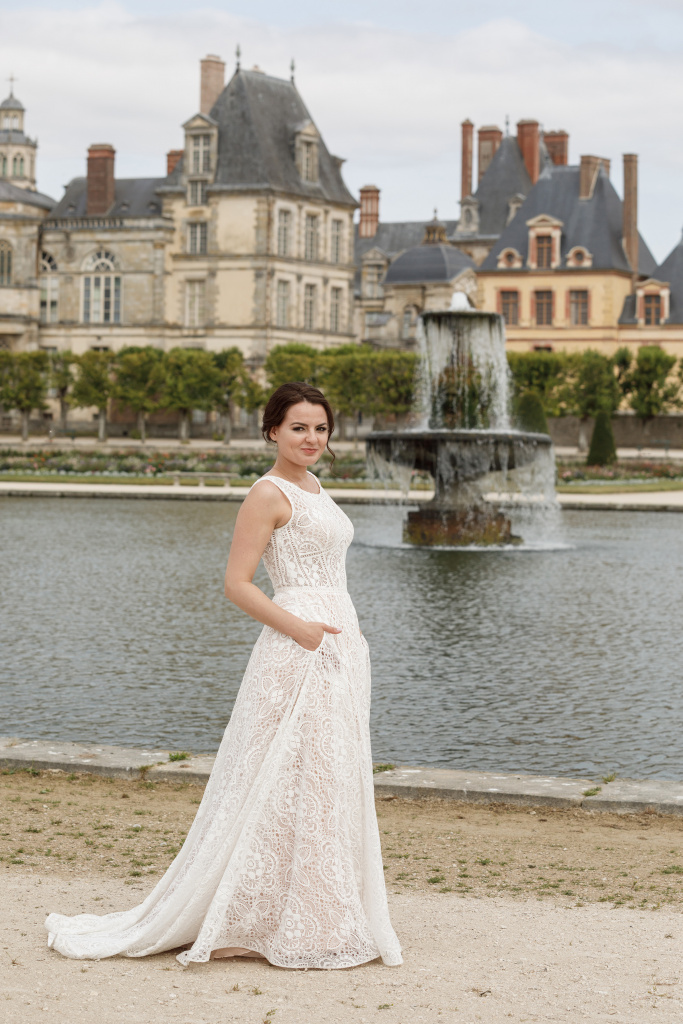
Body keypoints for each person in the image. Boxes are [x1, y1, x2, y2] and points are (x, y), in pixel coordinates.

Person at [45, 381, 402, 970]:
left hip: (339, 648)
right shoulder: (266, 493)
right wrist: (302, 630)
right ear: (272, 430)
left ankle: (308, 913)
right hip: (299, 647)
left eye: (320, 428)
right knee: (277, 777)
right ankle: (242, 919)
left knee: (321, 781)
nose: (311, 438)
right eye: (298, 428)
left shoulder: (315, 486)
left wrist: (337, 637)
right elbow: (237, 584)